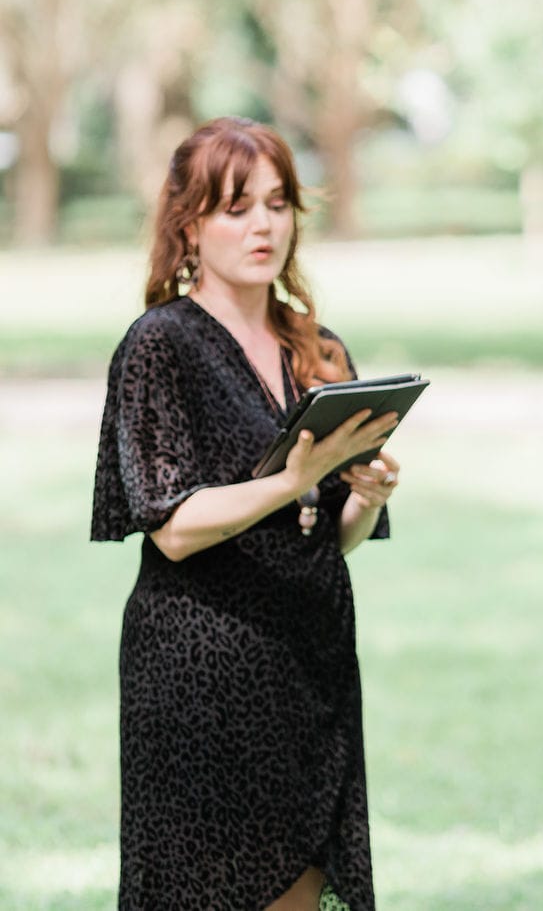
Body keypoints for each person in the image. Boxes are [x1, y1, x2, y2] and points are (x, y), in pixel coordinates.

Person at [92, 117, 401, 911]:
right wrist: (295, 474)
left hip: (310, 664)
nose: (263, 224)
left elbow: (331, 537)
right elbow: (174, 524)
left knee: (303, 884)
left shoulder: (318, 349)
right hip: (200, 668)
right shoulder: (160, 344)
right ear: (189, 223)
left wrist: (360, 496)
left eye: (277, 203)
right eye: (236, 207)